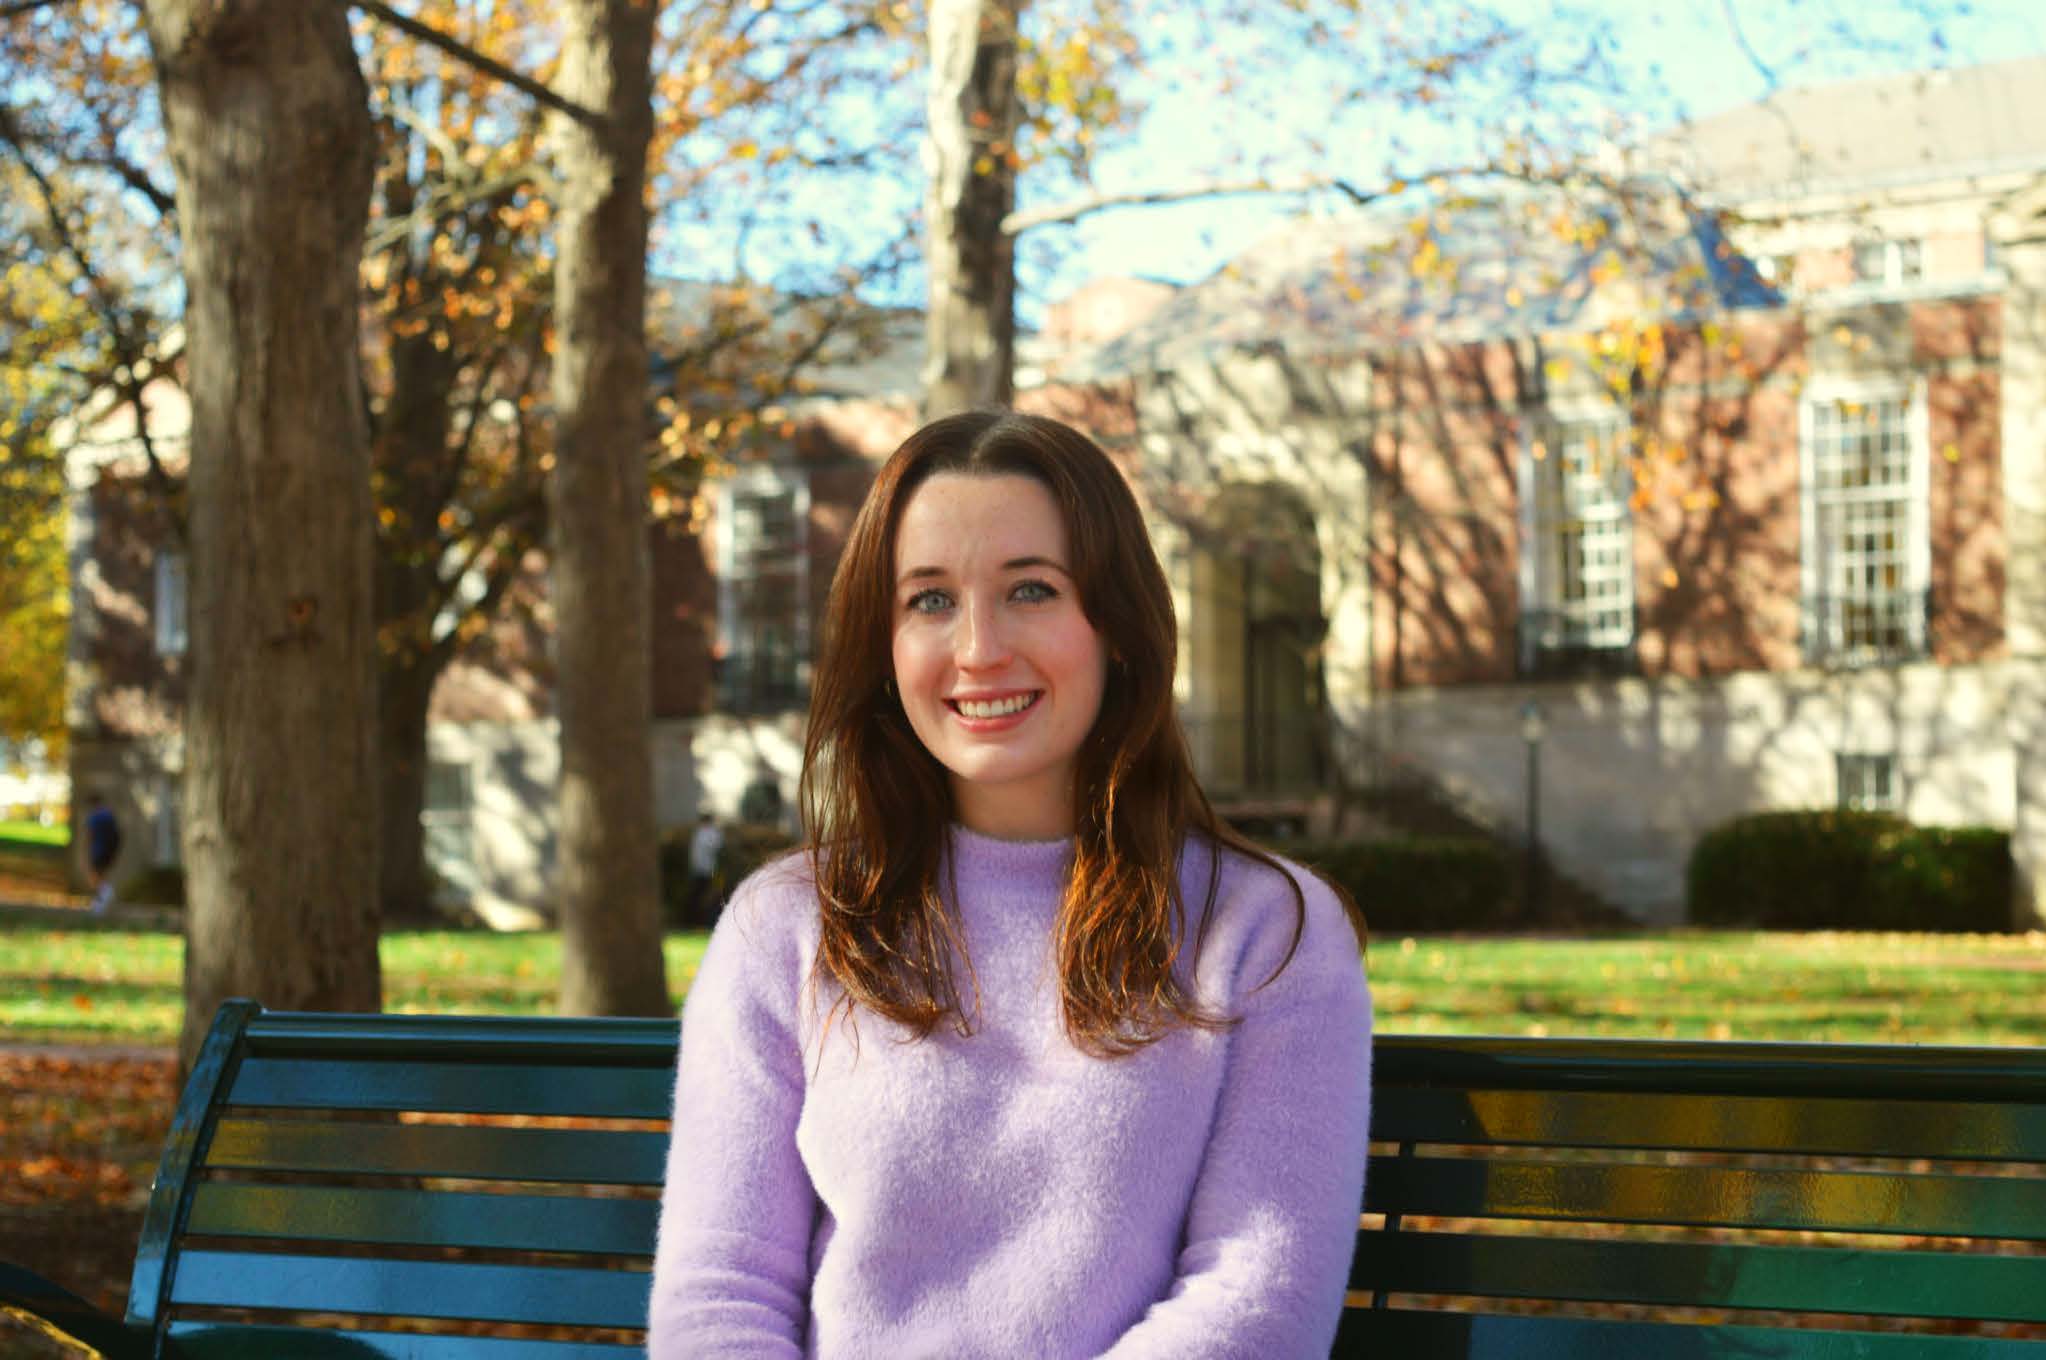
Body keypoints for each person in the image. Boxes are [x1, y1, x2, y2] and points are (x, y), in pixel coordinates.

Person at [648, 411, 1372, 1357]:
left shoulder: (1264, 932)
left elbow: (1255, 1301)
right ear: (884, 644)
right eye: (930, 600)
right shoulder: (785, 927)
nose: (979, 647)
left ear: (1116, 626)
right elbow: (719, 1293)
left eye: (1032, 589)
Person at [82, 792, 121, 916]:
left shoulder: (95, 816)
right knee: (102, 876)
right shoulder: (108, 815)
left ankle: (103, 901)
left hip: (97, 850)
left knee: (95, 877)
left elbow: (90, 834)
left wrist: (85, 849)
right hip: (109, 851)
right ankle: (102, 903)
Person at [684, 812, 726, 924]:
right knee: (708, 897)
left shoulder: (703, 833)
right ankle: (703, 921)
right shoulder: (708, 833)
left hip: (707, 871)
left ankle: (702, 921)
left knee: (707, 897)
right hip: (708, 871)